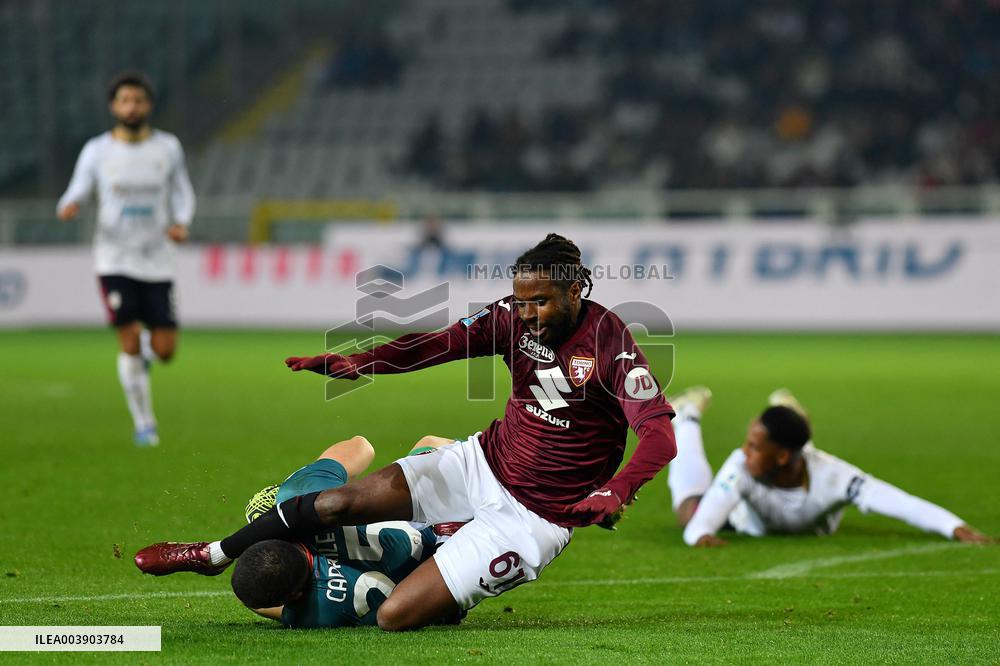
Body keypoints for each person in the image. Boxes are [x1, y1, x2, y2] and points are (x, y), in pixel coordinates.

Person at [135, 233, 678, 631]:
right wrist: (361, 362)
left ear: (575, 291)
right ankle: (212, 555)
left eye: (541, 301)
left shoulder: (611, 343)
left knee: (394, 617)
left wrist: (617, 489)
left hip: (534, 519)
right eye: (521, 300)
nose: (528, 313)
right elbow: (438, 344)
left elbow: (658, 433)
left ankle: (446, 569)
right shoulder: (509, 317)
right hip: (482, 462)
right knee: (337, 503)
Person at [137, 435, 459, 628]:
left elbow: (258, 602)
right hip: (443, 515)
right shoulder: (300, 496)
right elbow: (362, 446)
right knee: (429, 444)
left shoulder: (317, 611)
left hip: (449, 578)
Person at [56, 71, 195, 447]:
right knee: (128, 338)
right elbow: (79, 187)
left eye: (138, 100)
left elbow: (182, 191)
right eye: (125, 101)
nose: (132, 107)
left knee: (165, 350)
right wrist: (70, 204)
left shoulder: (167, 147)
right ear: (113, 107)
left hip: (157, 258)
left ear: (149, 105)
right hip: (113, 257)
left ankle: (144, 355)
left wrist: (181, 221)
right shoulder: (97, 150)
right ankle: (145, 424)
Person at [667, 386, 993, 546]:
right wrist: (701, 535)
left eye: (754, 446)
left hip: (801, 468)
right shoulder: (741, 465)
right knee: (689, 513)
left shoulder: (834, 477)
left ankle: (792, 416)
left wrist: (954, 526)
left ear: (780, 456)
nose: (743, 451)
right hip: (746, 522)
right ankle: (687, 416)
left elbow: (897, 501)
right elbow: (700, 526)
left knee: (801, 449)